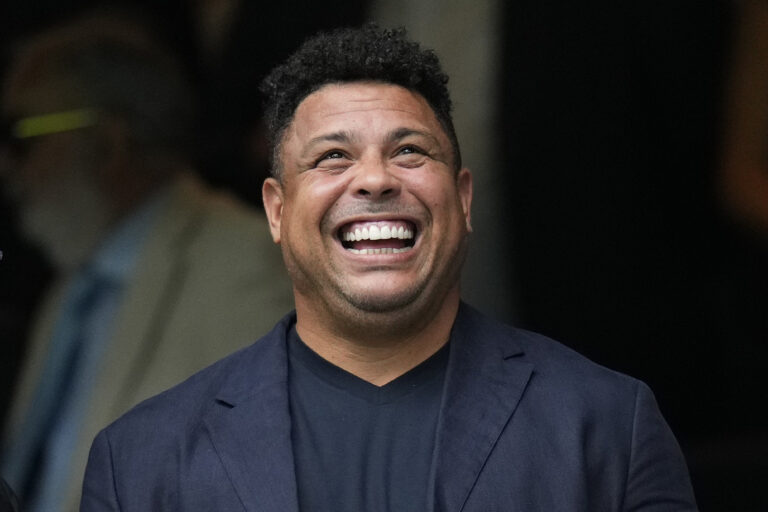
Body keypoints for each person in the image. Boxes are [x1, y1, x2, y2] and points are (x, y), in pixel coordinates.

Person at [80, 24, 697, 511]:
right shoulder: (141, 460)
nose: (374, 179)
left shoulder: (607, 425)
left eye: (408, 151)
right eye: (332, 157)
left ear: (462, 198)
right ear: (276, 209)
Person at [0, 12, 292, 512]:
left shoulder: (249, 265)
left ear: (108, 143)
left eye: (21, 139)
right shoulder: (75, 287)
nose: (6, 169)